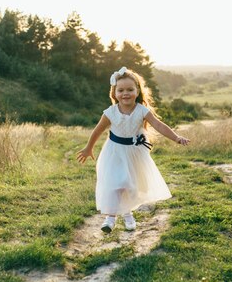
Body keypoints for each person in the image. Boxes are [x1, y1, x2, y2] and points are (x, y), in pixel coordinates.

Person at [77, 66, 190, 233]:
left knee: (130, 186)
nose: (125, 93)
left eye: (130, 89)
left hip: (134, 154)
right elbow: (97, 130)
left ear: (137, 91)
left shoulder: (142, 111)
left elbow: (159, 125)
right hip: (114, 152)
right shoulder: (110, 112)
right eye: (121, 90)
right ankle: (110, 219)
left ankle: (128, 214)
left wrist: (176, 137)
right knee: (115, 183)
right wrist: (88, 148)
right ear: (114, 93)